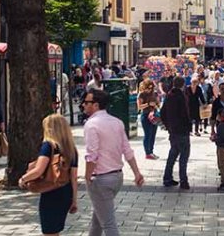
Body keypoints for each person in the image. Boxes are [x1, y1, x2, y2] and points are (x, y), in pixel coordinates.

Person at [82, 89, 144, 235]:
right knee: (98, 217)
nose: (83, 105)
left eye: (86, 102)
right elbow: (127, 149)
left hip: (101, 179)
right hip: (117, 177)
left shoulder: (91, 125)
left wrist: (87, 177)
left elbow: (92, 155)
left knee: (108, 224)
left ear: (96, 105)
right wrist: (136, 173)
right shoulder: (117, 122)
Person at [19, 114, 79, 236]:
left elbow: (39, 170)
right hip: (65, 192)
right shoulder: (72, 149)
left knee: (49, 231)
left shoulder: (49, 146)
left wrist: (23, 179)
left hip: (51, 192)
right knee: (54, 231)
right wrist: (74, 199)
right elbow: (73, 177)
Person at [160, 76, 191, 190]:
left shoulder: (168, 96)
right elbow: (184, 114)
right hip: (182, 130)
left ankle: (167, 177)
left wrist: (168, 126)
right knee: (184, 156)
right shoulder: (180, 96)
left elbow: (162, 113)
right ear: (183, 84)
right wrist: (188, 126)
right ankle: (183, 180)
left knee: (173, 154)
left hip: (173, 131)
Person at [137, 79, 160, 160]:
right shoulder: (141, 94)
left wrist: (156, 105)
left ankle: (151, 151)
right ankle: (147, 152)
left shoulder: (155, 93)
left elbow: (158, 103)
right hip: (146, 115)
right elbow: (139, 107)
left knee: (153, 134)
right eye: (148, 88)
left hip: (154, 115)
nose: (149, 90)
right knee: (148, 134)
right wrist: (148, 104)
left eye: (151, 88)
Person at [212, 109, 224, 190]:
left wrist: (215, 138)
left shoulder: (221, 125)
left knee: (221, 164)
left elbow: (222, 137)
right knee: (222, 162)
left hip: (222, 146)